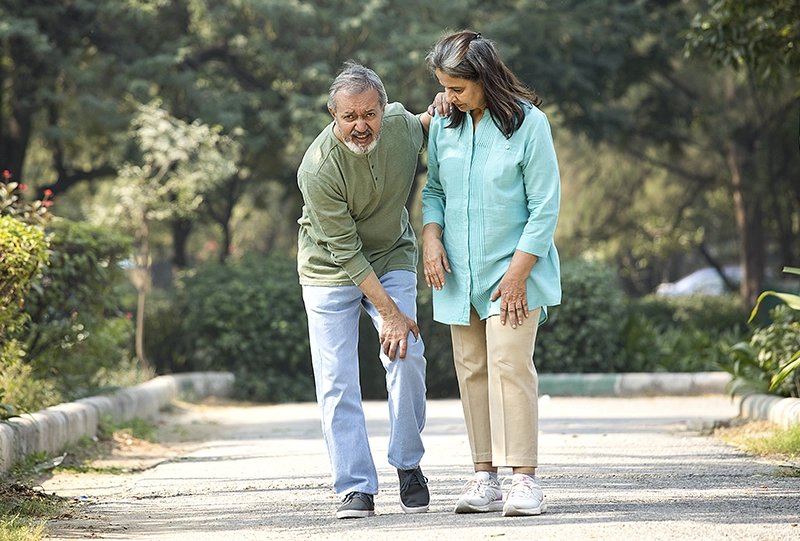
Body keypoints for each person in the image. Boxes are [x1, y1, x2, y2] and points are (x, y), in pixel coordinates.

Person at [422, 31, 562, 517]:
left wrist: (519, 273)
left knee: (510, 366)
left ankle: (525, 480)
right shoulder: (445, 124)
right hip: (459, 274)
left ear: (484, 77)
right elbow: (434, 190)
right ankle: (485, 478)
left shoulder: (530, 124)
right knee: (472, 370)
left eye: (457, 87)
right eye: (445, 87)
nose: (449, 96)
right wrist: (431, 236)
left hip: (514, 270)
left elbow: (545, 205)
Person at [297, 61, 432, 519]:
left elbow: (429, 125)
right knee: (337, 379)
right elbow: (347, 253)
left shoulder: (400, 127)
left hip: (391, 253)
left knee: (406, 353)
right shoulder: (317, 168)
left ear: (383, 110)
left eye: (369, 114)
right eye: (349, 116)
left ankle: (408, 464)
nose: (360, 126)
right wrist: (389, 312)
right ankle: (355, 486)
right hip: (330, 268)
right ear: (333, 114)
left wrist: (442, 106)